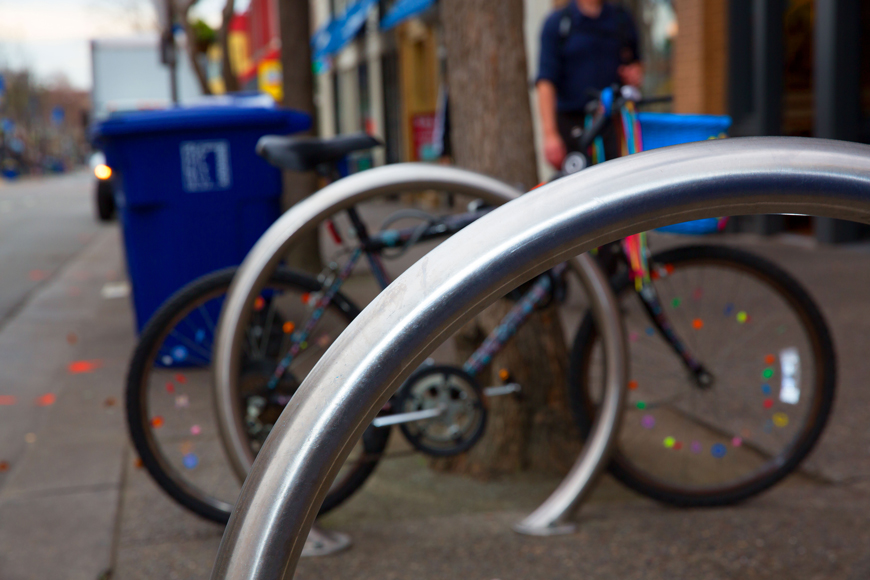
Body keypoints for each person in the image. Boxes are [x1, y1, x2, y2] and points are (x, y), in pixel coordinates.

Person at [536, 0, 644, 168]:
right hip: (573, 126)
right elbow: (545, 81)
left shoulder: (621, 19)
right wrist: (550, 134)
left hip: (614, 125)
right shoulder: (558, 23)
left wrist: (634, 75)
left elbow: (636, 64)